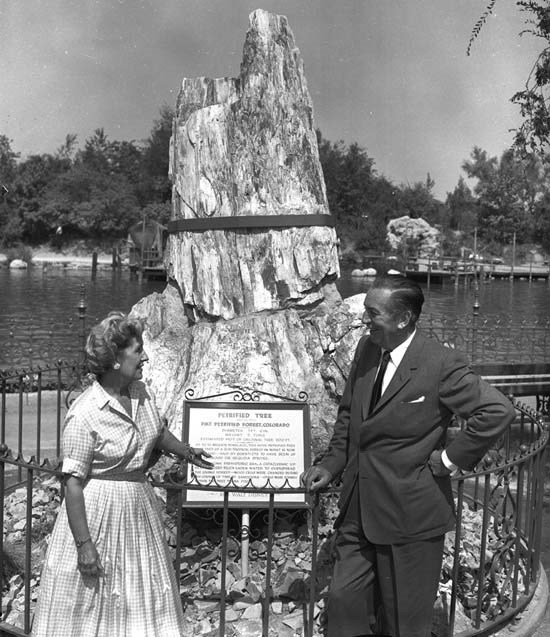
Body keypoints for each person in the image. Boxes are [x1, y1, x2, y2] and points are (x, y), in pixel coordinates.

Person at [301, 274, 515, 637]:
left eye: (373, 313)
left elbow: (497, 411)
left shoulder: (440, 363)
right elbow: (350, 415)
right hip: (358, 509)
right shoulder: (367, 349)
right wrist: (332, 463)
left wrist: (448, 461)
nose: (365, 321)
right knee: (342, 604)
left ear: (403, 319)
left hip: (410, 517)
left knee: (404, 623)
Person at [33, 312, 213, 637]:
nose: (144, 356)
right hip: (98, 512)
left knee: (142, 593)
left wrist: (185, 450)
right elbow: (72, 485)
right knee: (94, 600)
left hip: (137, 507)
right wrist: (84, 544)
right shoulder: (84, 414)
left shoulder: (140, 393)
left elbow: (156, 432)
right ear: (116, 359)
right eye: (137, 350)